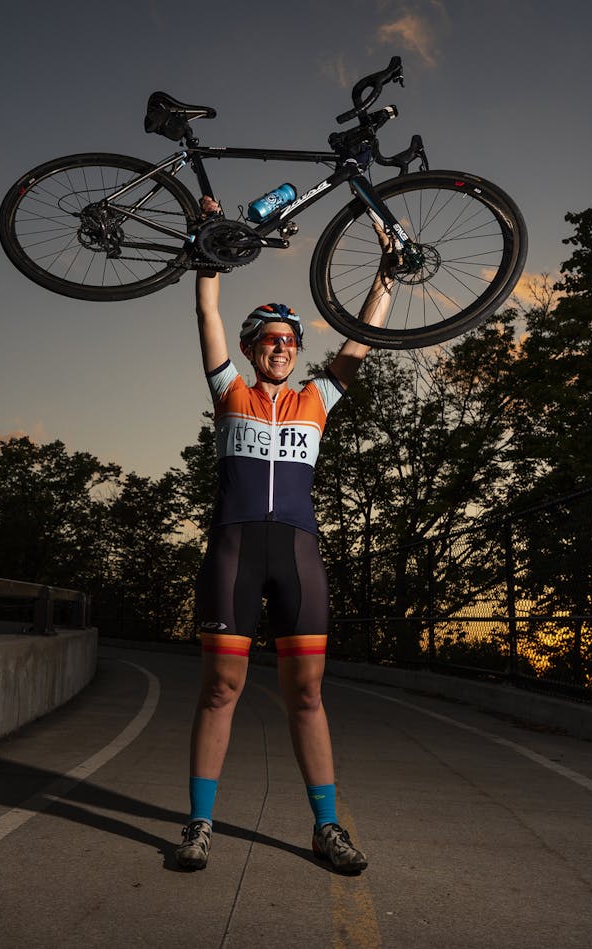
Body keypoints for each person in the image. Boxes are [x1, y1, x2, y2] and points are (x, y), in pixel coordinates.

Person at [175, 196, 394, 873]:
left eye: (291, 339)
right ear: (250, 349)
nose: (282, 345)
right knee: (220, 689)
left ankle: (325, 827)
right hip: (235, 550)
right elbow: (206, 309)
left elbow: (362, 334)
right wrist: (209, 243)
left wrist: (388, 269)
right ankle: (199, 823)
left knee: (307, 692)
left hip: (297, 552)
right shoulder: (230, 393)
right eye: (270, 337)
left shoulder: (316, 399)